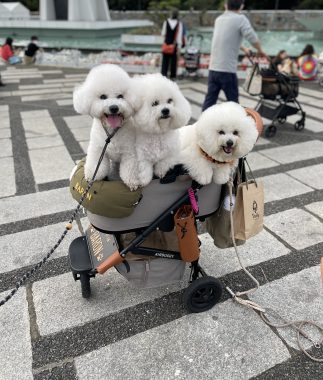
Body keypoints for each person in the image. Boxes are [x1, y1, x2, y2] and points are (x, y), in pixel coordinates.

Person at [202, 0, 267, 111]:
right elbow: (253, 38)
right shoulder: (240, 19)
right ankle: (236, 125)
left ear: (225, 5)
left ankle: (202, 124)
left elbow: (226, 39)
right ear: (241, 6)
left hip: (213, 69)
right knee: (234, 104)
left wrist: (243, 48)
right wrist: (261, 50)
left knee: (209, 101)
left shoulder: (219, 20)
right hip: (227, 71)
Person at [161, 9, 184, 80]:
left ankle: (163, 77)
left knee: (165, 62)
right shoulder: (179, 24)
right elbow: (179, 37)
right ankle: (172, 77)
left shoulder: (166, 22)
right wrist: (179, 48)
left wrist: (164, 43)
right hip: (174, 45)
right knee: (173, 63)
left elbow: (163, 34)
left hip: (166, 44)